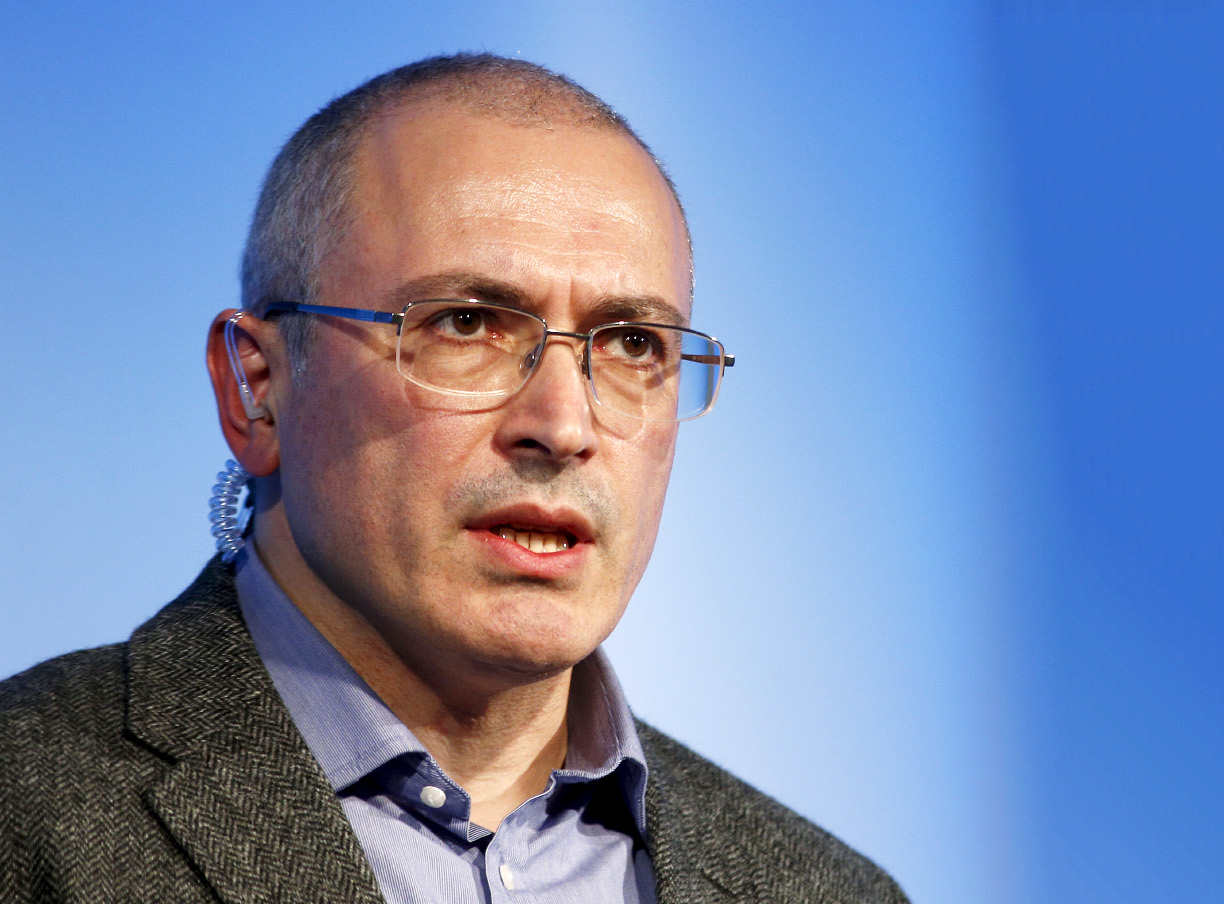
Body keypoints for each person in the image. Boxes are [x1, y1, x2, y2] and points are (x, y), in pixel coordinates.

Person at [0, 54, 907, 903]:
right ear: (258, 388)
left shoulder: (826, 888)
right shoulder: (27, 809)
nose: (562, 425)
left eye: (633, 344)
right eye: (467, 324)